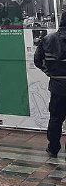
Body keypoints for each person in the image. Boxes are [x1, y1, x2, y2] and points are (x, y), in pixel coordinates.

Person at [34, 11, 66, 158]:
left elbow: (38, 61)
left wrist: (50, 73)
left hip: (57, 86)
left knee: (55, 118)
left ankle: (53, 148)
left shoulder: (48, 39)